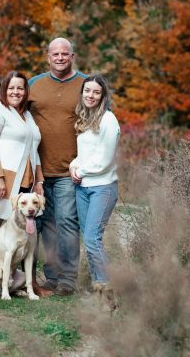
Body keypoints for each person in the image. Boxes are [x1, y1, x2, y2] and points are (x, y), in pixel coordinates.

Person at [0, 70, 47, 293]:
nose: (16, 92)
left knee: (23, 232)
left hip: (23, 183)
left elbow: (33, 151)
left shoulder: (27, 116)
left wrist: (39, 181)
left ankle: (18, 281)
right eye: (11, 87)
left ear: (26, 92)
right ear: (4, 89)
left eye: (20, 88)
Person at [29, 38, 87, 296]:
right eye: (56, 54)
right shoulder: (34, 85)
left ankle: (68, 279)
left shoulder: (85, 84)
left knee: (66, 223)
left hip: (69, 170)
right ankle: (51, 277)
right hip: (38, 169)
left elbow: (99, 120)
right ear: (48, 56)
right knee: (47, 224)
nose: (60, 57)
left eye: (65, 54)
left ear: (72, 56)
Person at [69, 75, 120, 298]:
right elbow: (84, 154)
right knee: (89, 237)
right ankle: (98, 285)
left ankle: (107, 287)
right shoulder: (86, 118)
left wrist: (81, 171)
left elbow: (105, 159)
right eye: (87, 91)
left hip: (103, 187)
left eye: (96, 92)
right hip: (83, 188)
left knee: (92, 238)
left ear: (102, 96)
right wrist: (73, 166)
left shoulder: (108, 120)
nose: (90, 95)